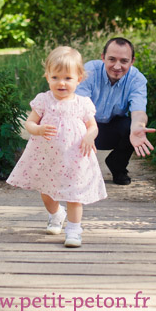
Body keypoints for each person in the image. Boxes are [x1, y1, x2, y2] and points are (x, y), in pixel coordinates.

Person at [7, 46, 107, 248]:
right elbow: (29, 123)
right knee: (47, 193)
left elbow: (93, 126)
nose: (61, 83)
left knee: (74, 194)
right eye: (55, 77)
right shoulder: (44, 100)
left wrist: (89, 137)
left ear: (79, 78)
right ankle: (56, 214)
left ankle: (74, 229)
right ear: (47, 77)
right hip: (47, 157)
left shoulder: (83, 103)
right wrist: (38, 129)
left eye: (68, 78)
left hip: (76, 157)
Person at [76, 37, 155, 185]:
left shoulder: (137, 80)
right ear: (103, 57)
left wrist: (139, 126)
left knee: (131, 126)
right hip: (85, 126)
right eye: (112, 59)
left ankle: (117, 166)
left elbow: (138, 111)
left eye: (124, 61)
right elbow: (77, 108)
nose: (117, 66)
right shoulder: (89, 71)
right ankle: (78, 168)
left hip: (112, 129)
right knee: (73, 123)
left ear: (132, 61)